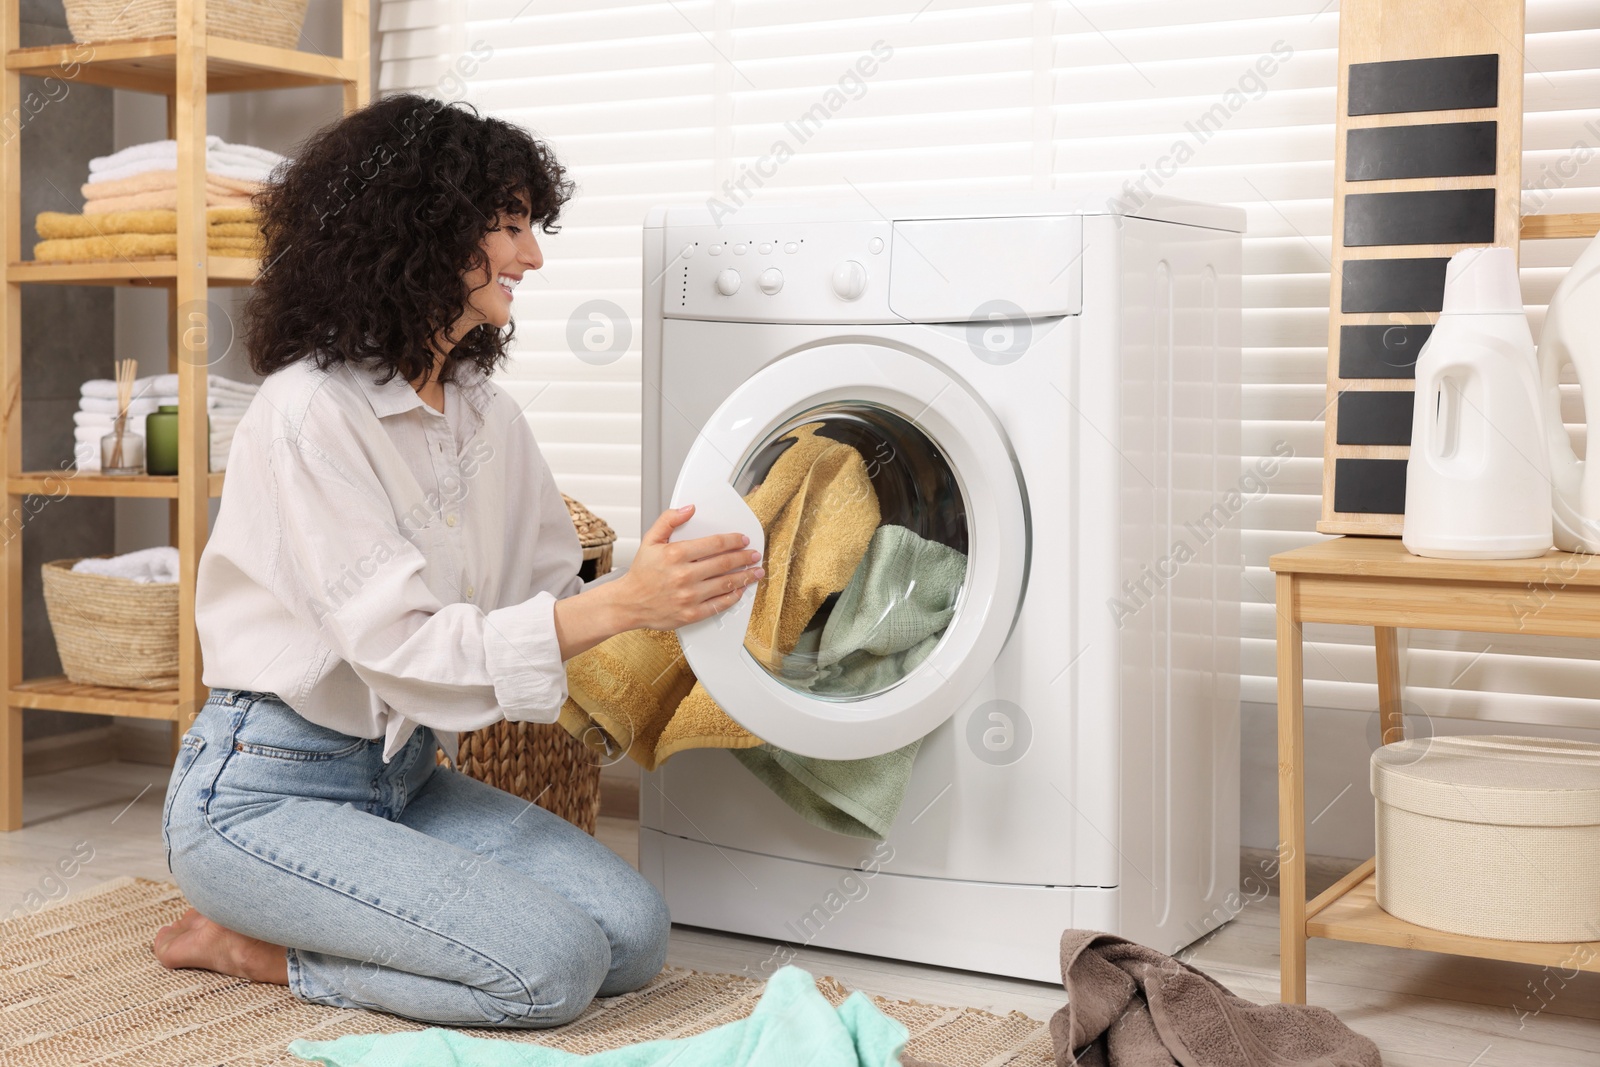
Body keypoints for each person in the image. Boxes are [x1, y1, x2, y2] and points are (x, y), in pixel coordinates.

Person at [151, 93, 764, 1029]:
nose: (533, 255)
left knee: (633, 937)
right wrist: (620, 606)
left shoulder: (484, 413)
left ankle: (359, 905)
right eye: (509, 225)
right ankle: (247, 944)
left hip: (404, 778)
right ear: (423, 228)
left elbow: (555, 589)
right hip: (262, 792)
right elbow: (400, 646)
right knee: (550, 971)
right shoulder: (308, 412)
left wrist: (674, 576)